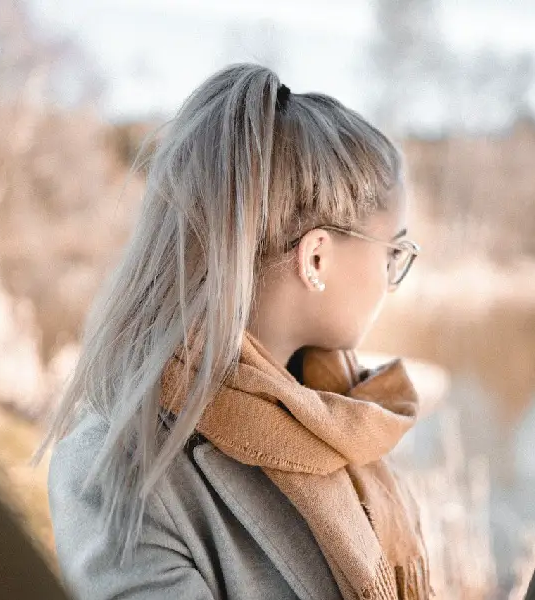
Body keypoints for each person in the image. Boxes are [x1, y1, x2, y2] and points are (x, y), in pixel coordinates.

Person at [38, 63, 430, 600]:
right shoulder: (117, 473)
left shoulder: (335, 413)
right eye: (393, 252)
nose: (392, 278)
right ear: (316, 257)